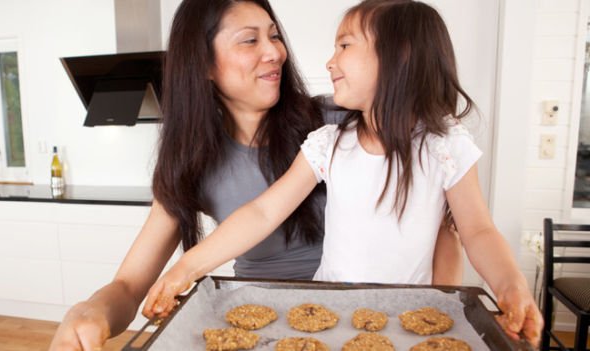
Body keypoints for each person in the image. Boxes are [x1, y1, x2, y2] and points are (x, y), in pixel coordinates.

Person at [49, 0, 463, 349]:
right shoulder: (189, 162)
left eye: (274, 35)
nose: (275, 52)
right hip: (258, 327)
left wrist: (437, 315)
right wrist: (92, 311)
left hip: (362, 319)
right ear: (204, 65)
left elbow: (443, 223)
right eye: (250, 40)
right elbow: (129, 286)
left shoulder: (339, 124)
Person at [144, 0, 544, 347]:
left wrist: (511, 288)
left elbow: (477, 231)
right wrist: (187, 268)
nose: (329, 61)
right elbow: (263, 213)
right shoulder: (328, 142)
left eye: (345, 45)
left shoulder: (445, 145)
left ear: (397, 56)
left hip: (405, 315)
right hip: (330, 314)